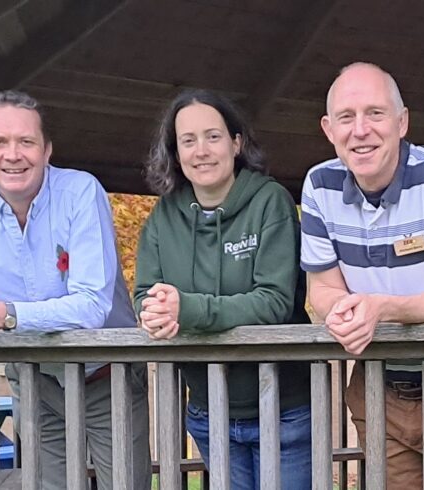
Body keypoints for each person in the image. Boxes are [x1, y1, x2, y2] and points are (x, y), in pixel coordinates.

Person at [0, 90, 152, 490]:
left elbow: (90, 308)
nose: (12, 154)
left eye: (26, 142)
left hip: (107, 374)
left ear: (47, 150)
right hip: (30, 375)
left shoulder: (81, 192)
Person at [301, 62, 424, 489]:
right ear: (329, 129)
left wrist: (381, 309)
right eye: (346, 117)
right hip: (375, 384)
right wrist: (344, 311)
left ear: (402, 122)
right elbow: (322, 290)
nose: (360, 129)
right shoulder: (317, 186)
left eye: (375, 114)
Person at [134, 89, 312, 489]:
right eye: (188, 141)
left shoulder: (271, 202)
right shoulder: (163, 216)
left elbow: (274, 302)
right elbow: (144, 293)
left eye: (213, 136)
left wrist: (188, 311)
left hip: (284, 408)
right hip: (207, 407)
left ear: (236, 143)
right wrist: (154, 311)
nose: (201, 151)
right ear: (176, 153)